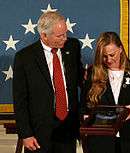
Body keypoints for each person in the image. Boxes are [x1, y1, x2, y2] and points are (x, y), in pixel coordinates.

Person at [13, 11, 83, 153]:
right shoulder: (24, 58)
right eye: (60, 35)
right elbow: (20, 100)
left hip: (67, 129)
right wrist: (26, 134)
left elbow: (80, 78)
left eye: (65, 33)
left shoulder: (72, 47)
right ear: (44, 35)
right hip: (39, 133)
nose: (65, 38)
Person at [80, 31, 130, 153]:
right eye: (104, 56)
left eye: (112, 55)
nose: (108, 60)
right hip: (100, 143)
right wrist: (86, 118)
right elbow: (83, 106)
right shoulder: (92, 73)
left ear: (120, 49)